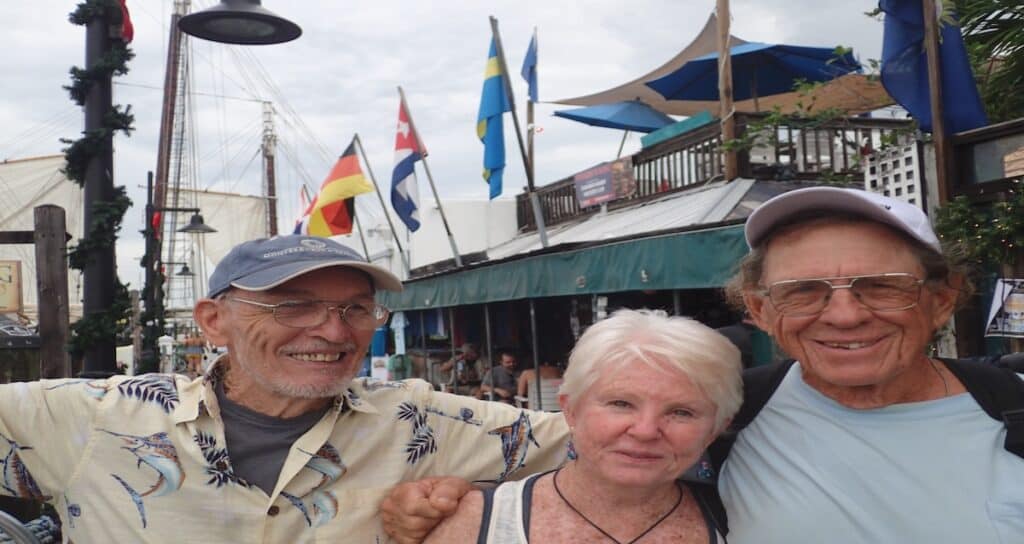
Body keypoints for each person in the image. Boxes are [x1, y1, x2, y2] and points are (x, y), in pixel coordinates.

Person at [381, 187, 1024, 543]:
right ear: (760, 311)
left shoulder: (1011, 414)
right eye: (803, 291)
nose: (846, 315)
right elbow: (599, 443)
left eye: (881, 286)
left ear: (941, 300)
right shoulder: (724, 411)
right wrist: (430, 498)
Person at [0, 235, 569, 542]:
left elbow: (618, 443)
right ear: (214, 320)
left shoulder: (421, 423)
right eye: (292, 306)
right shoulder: (96, 418)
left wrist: (473, 510)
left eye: (356, 309)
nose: (333, 330)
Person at [423, 309, 741, 543]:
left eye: (681, 412)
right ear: (570, 410)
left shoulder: (742, 525)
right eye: (621, 404)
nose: (645, 430)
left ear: (715, 429)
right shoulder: (475, 524)